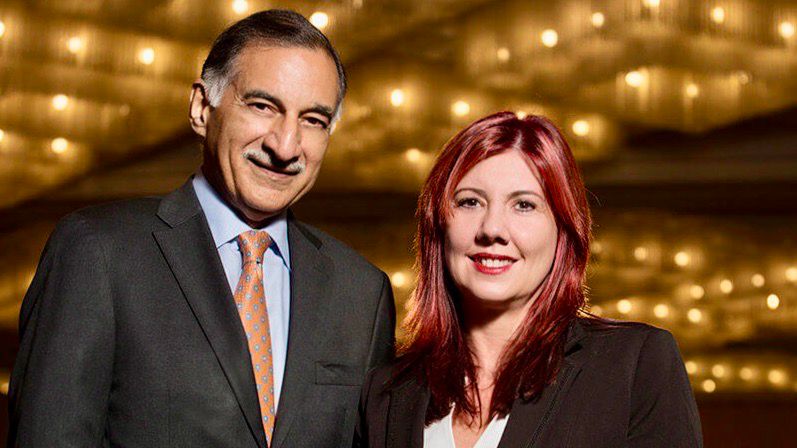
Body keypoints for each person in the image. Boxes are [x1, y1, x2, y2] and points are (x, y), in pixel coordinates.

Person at [8, 10, 395, 448]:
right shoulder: (99, 252)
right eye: (263, 106)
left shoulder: (361, 293)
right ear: (200, 108)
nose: (286, 146)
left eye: (313, 120)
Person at [355, 112, 702, 448]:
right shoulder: (386, 392)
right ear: (438, 225)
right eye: (470, 202)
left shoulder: (634, 365)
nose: (492, 229)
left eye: (524, 205)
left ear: (563, 229)